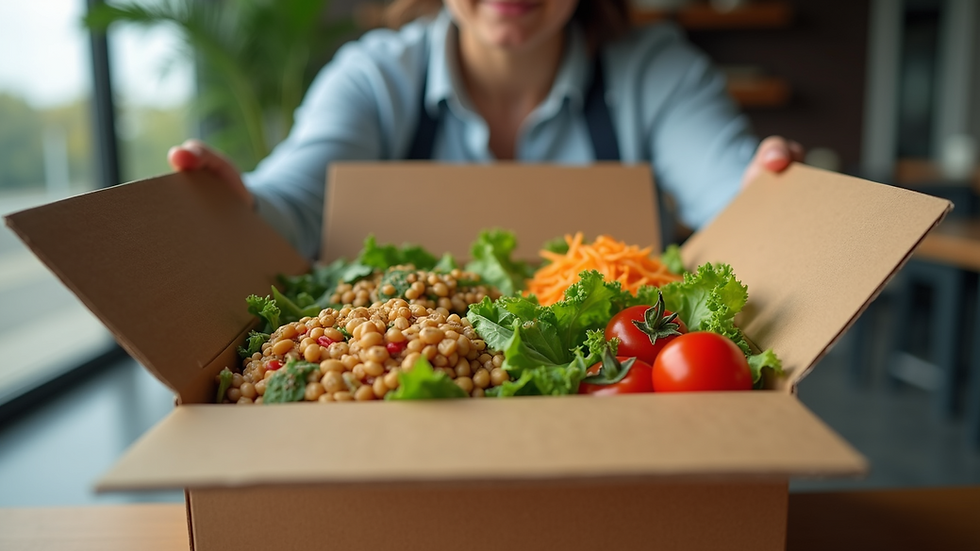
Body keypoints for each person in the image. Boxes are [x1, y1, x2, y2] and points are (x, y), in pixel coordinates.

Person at [167, 0, 803, 260]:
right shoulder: (375, 77)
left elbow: (732, 202)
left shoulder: (655, 72)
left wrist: (767, 194)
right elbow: (297, 204)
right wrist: (243, 202)